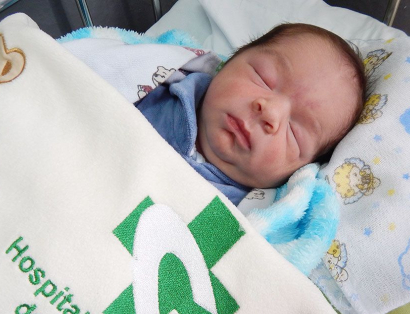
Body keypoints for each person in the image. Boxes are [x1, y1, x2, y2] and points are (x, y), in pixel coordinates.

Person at [136, 23, 367, 205]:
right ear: (227, 64)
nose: (270, 112)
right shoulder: (159, 83)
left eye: (295, 132)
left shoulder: (245, 217)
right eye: (264, 78)